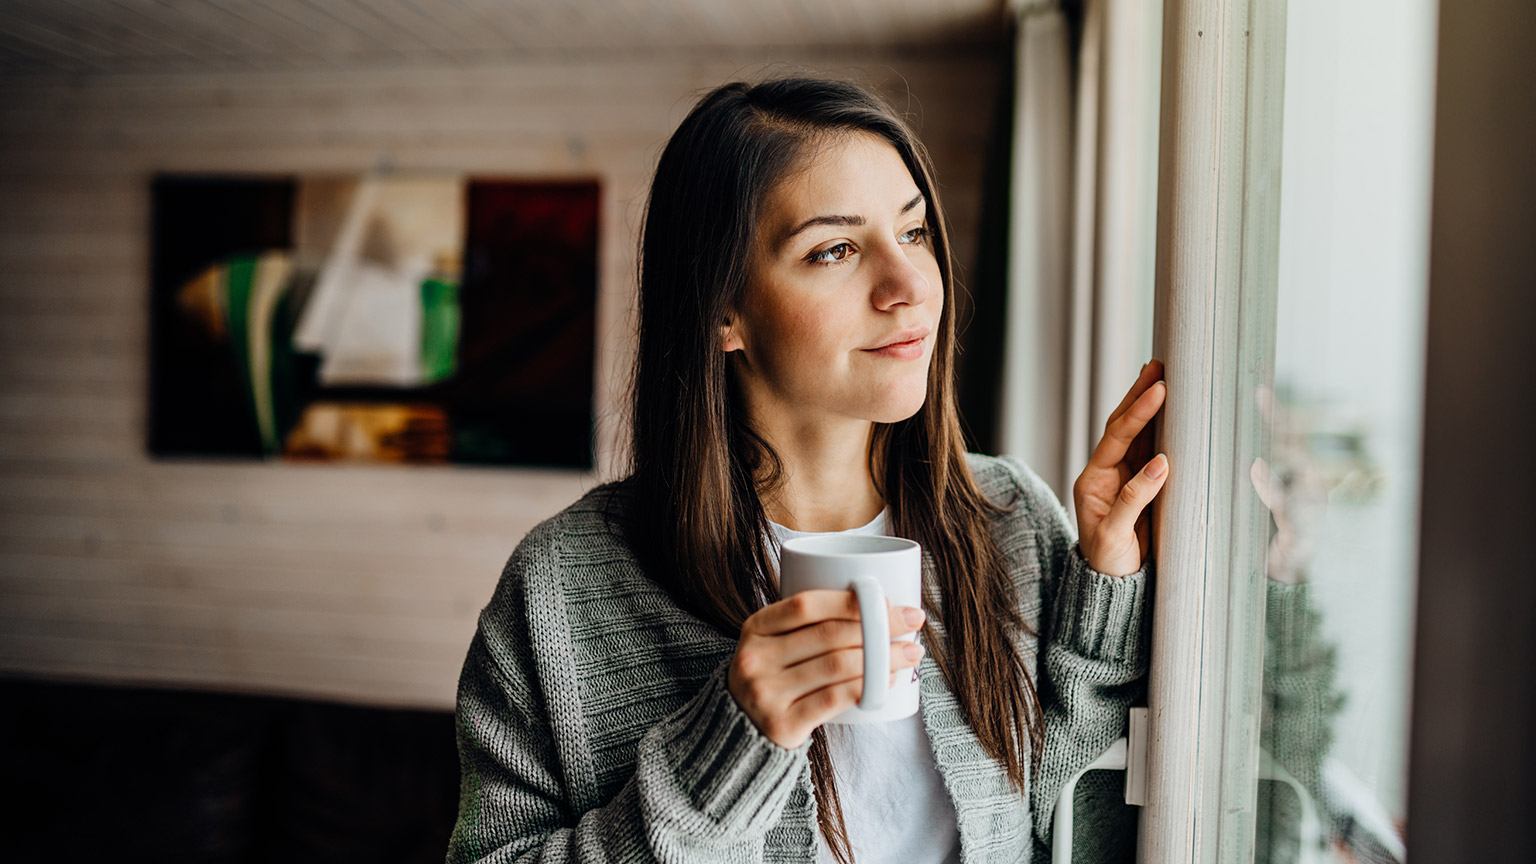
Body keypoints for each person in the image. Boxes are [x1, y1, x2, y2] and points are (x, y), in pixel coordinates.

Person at [446, 76, 1170, 864]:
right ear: (723, 309)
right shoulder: (563, 586)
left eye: (916, 232)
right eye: (835, 249)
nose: (908, 288)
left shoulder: (1011, 519)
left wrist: (1104, 577)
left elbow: (1065, 817)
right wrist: (728, 746)